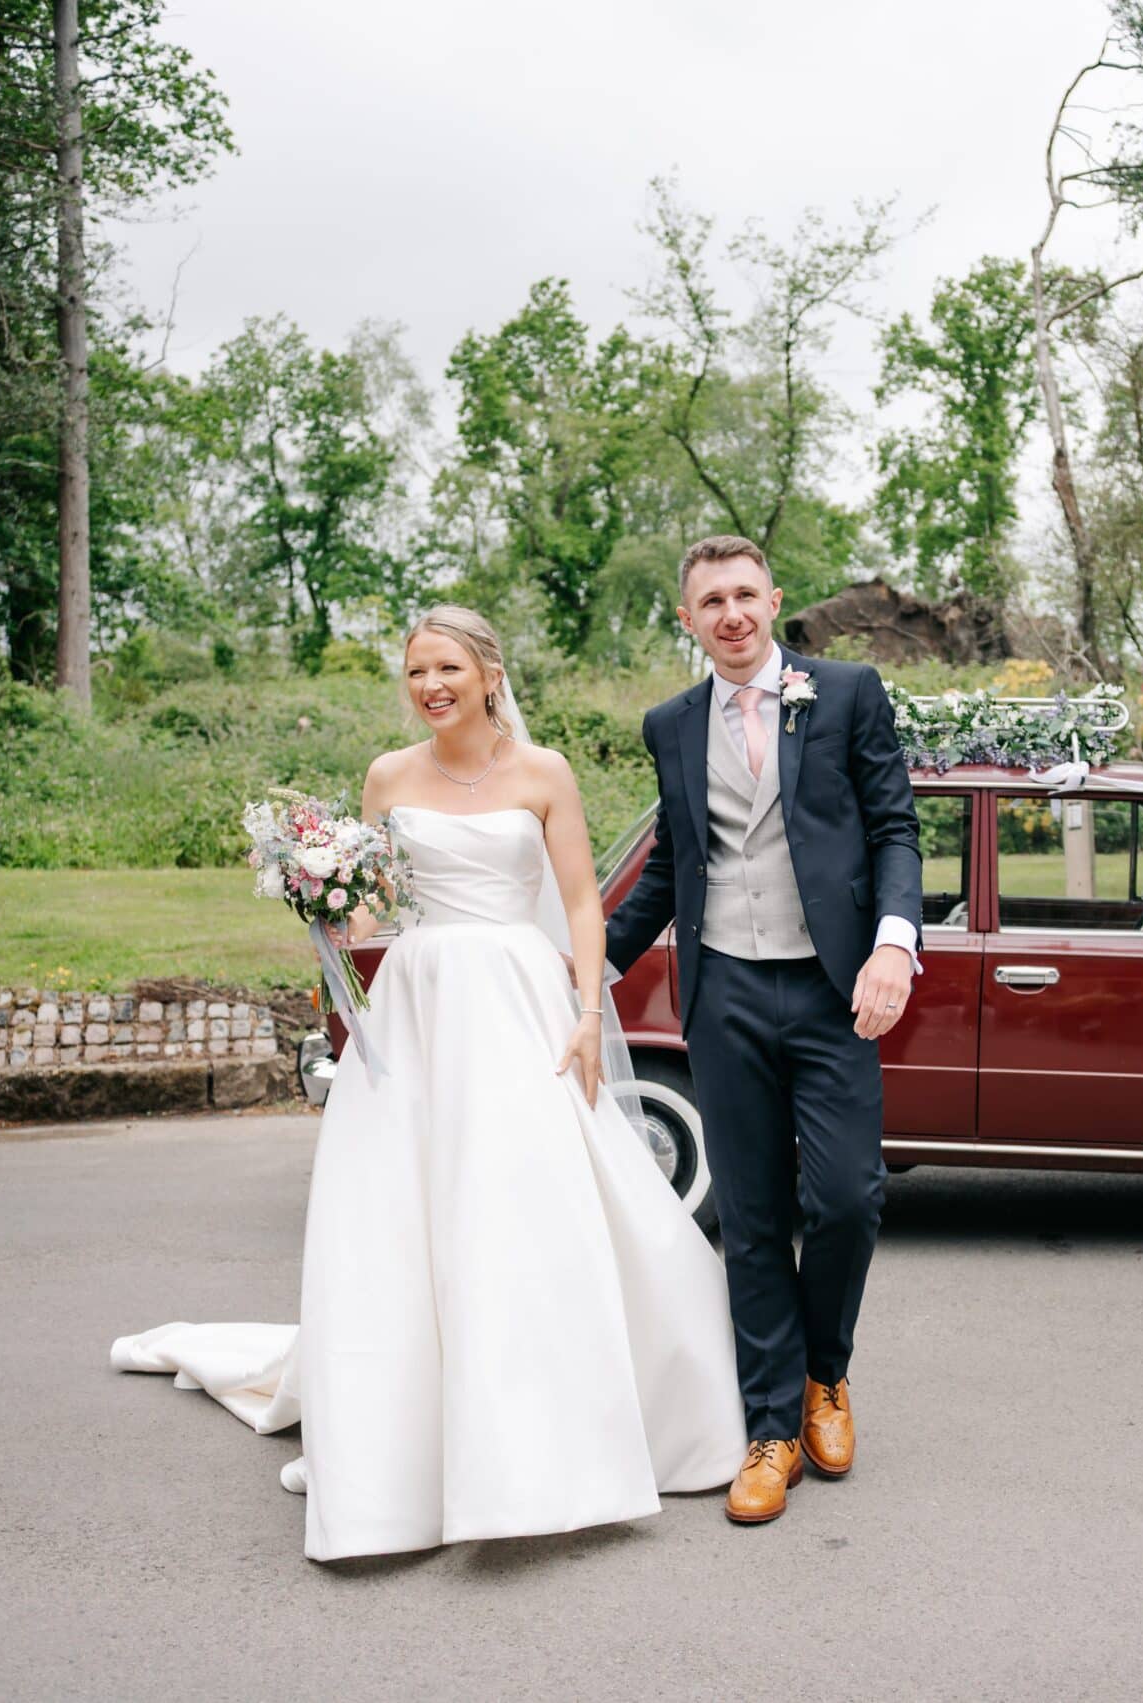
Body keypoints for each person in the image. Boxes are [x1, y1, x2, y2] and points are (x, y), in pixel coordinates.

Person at [112, 605, 746, 1561]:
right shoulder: (389, 775)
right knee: (404, 1207)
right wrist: (324, 897)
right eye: (416, 672)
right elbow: (377, 910)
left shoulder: (544, 773)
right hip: (416, 1003)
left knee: (523, 1201)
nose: (430, 686)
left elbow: (582, 902)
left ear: (489, 674)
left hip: (519, 1000)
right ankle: (403, 1434)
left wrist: (587, 1012)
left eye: (447, 667)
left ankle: (554, 1423)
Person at [605, 535, 923, 1525]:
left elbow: (894, 828)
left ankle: (828, 1371)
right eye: (712, 601)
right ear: (689, 618)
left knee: (845, 1198)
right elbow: (673, 863)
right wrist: (588, 966)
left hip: (832, 989)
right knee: (749, 1219)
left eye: (745, 594)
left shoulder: (847, 692)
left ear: (773, 600)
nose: (732, 614)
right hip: (726, 991)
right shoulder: (671, 724)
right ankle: (773, 1426)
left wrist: (893, 944)